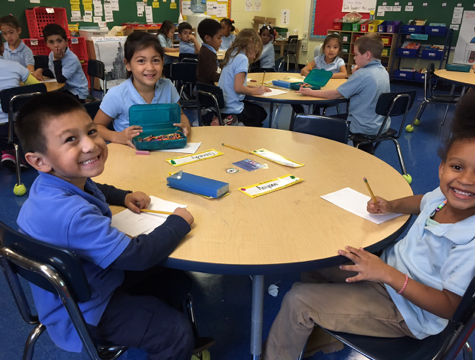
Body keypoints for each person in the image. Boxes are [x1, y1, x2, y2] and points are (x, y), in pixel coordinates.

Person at [263, 91, 475, 360]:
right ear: (442, 168)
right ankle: (323, 337)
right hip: (387, 276)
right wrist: (391, 205)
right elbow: (423, 200)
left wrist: (387, 274)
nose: (466, 180)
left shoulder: (470, 239)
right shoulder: (443, 196)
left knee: (298, 300)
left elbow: (449, 307)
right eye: (458, 167)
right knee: (318, 256)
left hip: (408, 313)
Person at [15, 91, 196, 360]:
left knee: (177, 280)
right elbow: (138, 255)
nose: (90, 145)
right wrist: (178, 223)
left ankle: (152, 319)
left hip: (81, 285)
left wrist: (122, 196)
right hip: (83, 311)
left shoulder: (54, 182)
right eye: (71, 139)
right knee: (175, 332)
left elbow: (93, 187)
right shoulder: (70, 214)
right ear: (39, 161)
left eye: (91, 131)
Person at [296, 33, 389, 154]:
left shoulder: (362, 75)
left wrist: (311, 92)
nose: (354, 58)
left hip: (362, 126)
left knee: (318, 123)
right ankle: (366, 151)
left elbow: (336, 94)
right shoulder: (383, 72)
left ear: (367, 55)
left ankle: (322, 156)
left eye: (356, 55)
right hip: (381, 124)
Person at [94, 32, 191, 148]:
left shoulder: (168, 86)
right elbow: (96, 126)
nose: (150, 68)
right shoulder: (117, 94)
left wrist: (185, 124)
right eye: (141, 61)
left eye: (155, 60)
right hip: (130, 155)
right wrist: (118, 136)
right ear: (128, 64)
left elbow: (180, 114)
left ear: (163, 61)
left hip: (165, 149)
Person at [0, 35, 39, 170]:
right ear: (2, 48)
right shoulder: (15, 66)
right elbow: (37, 88)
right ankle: (13, 154)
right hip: (14, 126)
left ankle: (8, 153)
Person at [218, 28, 270, 127]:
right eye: (255, 51)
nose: (254, 57)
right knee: (261, 113)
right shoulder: (242, 58)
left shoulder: (232, 54)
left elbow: (236, 84)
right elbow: (238, 88)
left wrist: (254, 87)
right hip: (233, 108)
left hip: (222, 106)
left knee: (255, 111)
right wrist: (256, 91)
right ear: (250, 42)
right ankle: (237, 122)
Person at [293, 33, 347, 115]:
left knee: (316, 101)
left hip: (328, 91)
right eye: (328, 46)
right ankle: (301, 113)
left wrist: (326, 76)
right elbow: (304, 70)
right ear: (324, 48)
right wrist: (313, 76)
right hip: (315, 87)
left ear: (339, 50)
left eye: (335, 47)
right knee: (294, 97)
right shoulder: (318, 59)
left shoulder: (339, 61)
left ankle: (315, 119)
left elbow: (344, 74)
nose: (331, 50)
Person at [42, 23, 89, 103]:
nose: (56, 45)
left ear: (66, 41)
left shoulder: (71, 58)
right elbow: (53, 72)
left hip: (77, 92)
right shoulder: (52, 54)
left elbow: (61, 79)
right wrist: (41, 71)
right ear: (47, 44)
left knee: (51, 102)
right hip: (66, 88)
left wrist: (57, 60)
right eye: (51, 42)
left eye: (59, 41)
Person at [0, 15, 43, 80]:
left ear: (19, 30)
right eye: (4, 33)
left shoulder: (27, 51)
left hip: (21, 82)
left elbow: (31, 70)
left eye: (11, 32)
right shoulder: (2, 49)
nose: (8, 36)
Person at [196, 18, 223, 85]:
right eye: (219, 38)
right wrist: (227, 77)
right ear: (207, 38)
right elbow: (213, 76)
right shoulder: (207, 53)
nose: (221, 41)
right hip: (208, 89)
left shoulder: (207, 50)